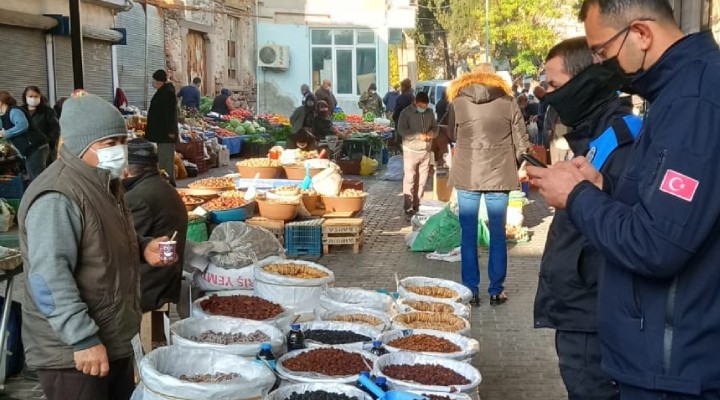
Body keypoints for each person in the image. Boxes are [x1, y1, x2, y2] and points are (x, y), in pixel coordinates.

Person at [527, 0, 720, 398]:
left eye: (601, 51)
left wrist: (577, 196)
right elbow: (666, 213)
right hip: (655, 360)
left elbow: (658, 244)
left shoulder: (696, 102)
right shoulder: (676, 94)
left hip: (672, 370)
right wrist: (603, 190)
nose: (600, 64)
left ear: (641, 33)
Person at [17, 90, 173, 400]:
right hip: (72, 354)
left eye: (121, 141)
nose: (119, 151)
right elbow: (48, 279)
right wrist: (82, 339)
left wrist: (142, 247)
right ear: (80, 146)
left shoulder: (104, 183)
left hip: (110, 338)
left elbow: (98, 239)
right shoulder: (57, 196)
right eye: (108, 144)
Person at [533, 37, 641, 400]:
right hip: (580, 304)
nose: (547, 95)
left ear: (584, 82)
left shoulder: (623, 138)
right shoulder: (597, 135)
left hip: (592, 310)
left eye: (554, 86)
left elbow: (627, 222)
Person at [446, 65, 530, 307]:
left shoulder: (458, 101)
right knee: (497, 235)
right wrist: (512, 163)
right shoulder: (508, 101)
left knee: (468, 235)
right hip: (499, 175)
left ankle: (470, 290)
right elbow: (522, 142)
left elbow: (452, 133)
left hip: (467, 174)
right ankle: (496, 290)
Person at [124, 138, 188, 315]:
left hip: (149, 287)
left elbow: (124, 246)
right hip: (165, 280)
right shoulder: (161, 186)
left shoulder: (137, 198)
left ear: (126, 171)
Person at [397, 91, 437, 217]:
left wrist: (432, 134)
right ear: (416, 102)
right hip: (410, 150)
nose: (423, 108)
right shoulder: (406, 113)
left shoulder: (430, 113)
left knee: (422, 180)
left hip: (425, 151)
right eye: (421, 106)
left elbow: (435, 128)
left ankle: (417, 204)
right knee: (410, 179)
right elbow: (401, 130)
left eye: (425, 106)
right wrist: (417, 135)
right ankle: (408, 207)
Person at [0, 91, 49, 180]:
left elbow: (22, 125)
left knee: (38, 178)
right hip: (29, 150)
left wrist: (6, 133)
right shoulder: (4, 116)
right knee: (34, 177)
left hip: (36, 147)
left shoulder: (14, 111)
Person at [145, 69, 179, 187]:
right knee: (163, 158)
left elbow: (170, 114)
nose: (153, 83)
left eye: (155, 80)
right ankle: (165, 182)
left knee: (166, 159)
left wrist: (170, 131)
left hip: (166, 133)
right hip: (162, 132)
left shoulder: (168, 93)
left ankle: (169, 184)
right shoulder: (163, 91)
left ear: (160, 81)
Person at [22, 86, 60, 165]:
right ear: (25, 97)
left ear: (40, 96)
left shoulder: (47, 111)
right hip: (25, 149)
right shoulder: (20, 111)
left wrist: (47, 141)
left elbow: (55, 129)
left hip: (45, 148)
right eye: (30, 96)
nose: (33, 99)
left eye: (36, 96)